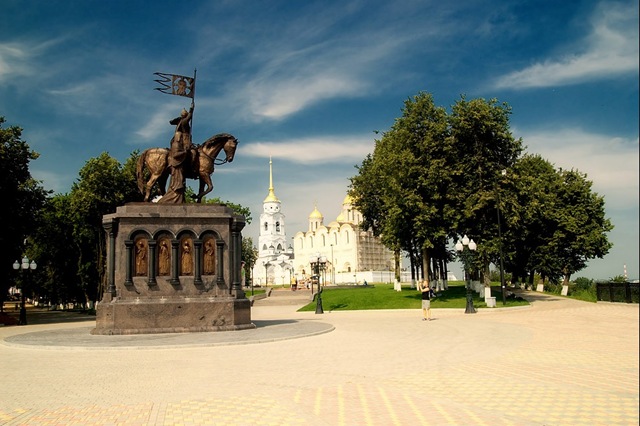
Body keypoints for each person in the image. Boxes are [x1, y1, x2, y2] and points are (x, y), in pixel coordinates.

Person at [159, 102, 194, 204]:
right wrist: (191, 109)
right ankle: (192, 170)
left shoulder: (179, 123)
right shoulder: (184, 122)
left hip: (185, 144)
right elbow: (189, 117)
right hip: (185, 145)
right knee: (194, 154)